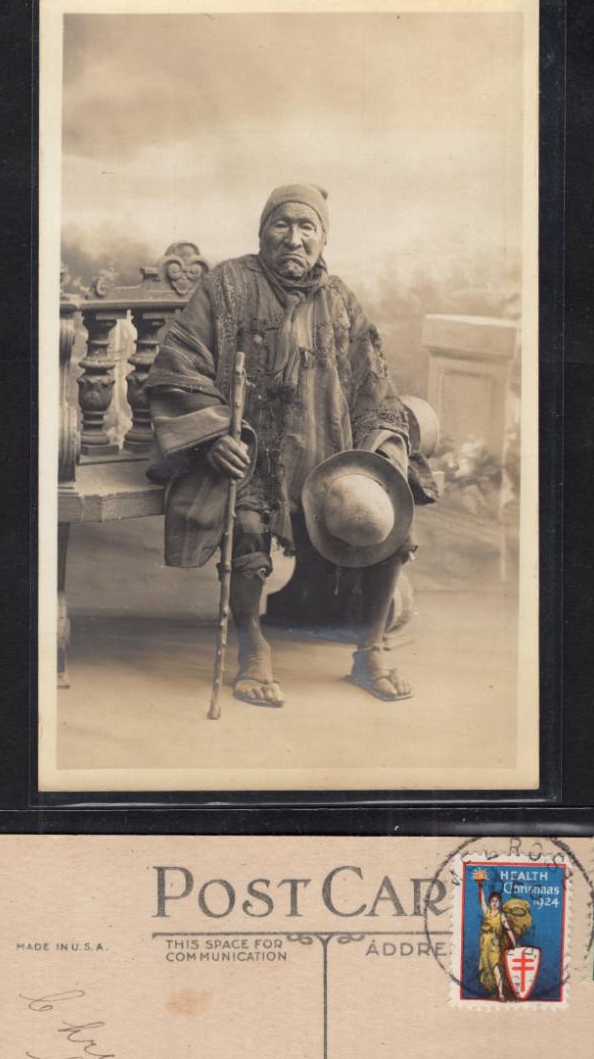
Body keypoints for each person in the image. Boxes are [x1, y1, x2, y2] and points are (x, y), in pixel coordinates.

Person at [145, 183, 437, 709]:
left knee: (389, 502)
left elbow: (373, 384)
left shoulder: (339, 298)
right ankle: (253, 646)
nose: (294, 238)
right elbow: (178, 367)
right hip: (251, 449)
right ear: (263, 231)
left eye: (307, 227)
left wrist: (380, 449)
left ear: (323, 238)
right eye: (282, 224)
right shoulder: (226, 285)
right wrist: (214, 437)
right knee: (248, 517)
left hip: (330, 451)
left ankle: (371, 649)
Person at [476, 886, 532, 1001]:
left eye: (497, 901)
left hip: (494, 945)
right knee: (487, 968)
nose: (494, 903)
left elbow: (508, 929)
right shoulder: (487, 912)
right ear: (490, 902)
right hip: (484, 944)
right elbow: (481, 900)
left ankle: (501, 994)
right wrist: (480, 886)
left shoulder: (501, 916)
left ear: (499, 903)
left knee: (496, 968)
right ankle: (493, 991)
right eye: (493, 901)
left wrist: (514, 942)